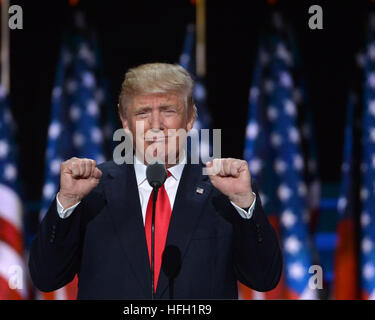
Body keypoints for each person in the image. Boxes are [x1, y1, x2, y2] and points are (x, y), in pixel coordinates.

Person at [29, 63, 282, 299]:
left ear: (190, 118)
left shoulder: (224, 190)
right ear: (125, 122)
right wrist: (67, 203)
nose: (156, 125)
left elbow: (264, 279)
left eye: (168, 111)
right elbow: (46, 278)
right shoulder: (91, 189)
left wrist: (244, 204)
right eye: (142, 113)